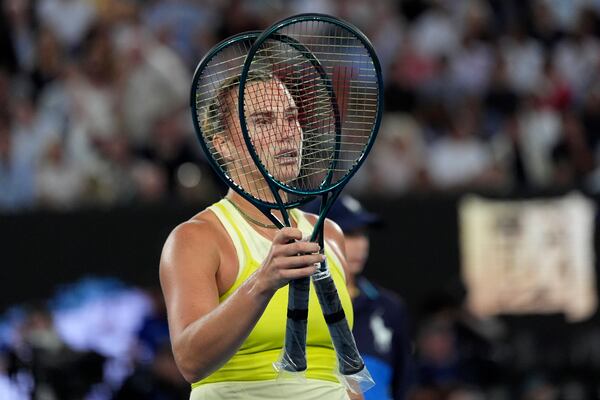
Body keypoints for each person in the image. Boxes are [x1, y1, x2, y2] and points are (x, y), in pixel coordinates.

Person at [159, 73, 356, 399]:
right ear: (223, 145)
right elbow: (190, 361)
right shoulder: (196, 239)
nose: (287, 133)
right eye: (264, 121)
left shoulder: (331, 236)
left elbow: (345, 370)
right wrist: (262, 281)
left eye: (292, 117)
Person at [304, 196, 413, 400]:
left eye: (364, 234)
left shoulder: (390, 308)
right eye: (348, 233)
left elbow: (402, 384)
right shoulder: (295, 305)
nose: (361, 244)